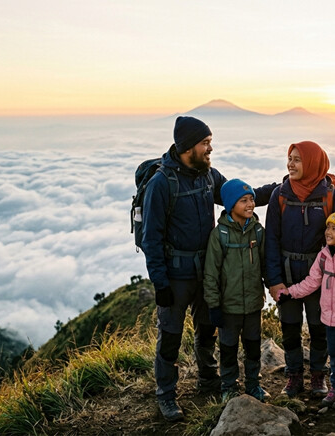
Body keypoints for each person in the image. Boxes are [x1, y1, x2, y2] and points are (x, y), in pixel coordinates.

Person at [141, 116, 276, 421]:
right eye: (205, 143)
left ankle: (209, 380)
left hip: (208, 270)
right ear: (188, 146)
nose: (210, 148)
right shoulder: (162, 183)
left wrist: (278, 188)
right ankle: (166, 395)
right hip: (176, 275)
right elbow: (151, 238)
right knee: (171, 335)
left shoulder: (208, 175)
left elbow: (237, 196)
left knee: (207, 329)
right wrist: (160, 282)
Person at [265, 140, 335, 398]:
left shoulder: (329, 195)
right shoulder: (279, 195)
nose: (291, 163)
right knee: (289, 326)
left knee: (319, 328)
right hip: (288, 275)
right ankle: (293, 376)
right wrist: (273, 280)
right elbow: (271, 241)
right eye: (289, 158)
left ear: (313, 163)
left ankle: (317, 375)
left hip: (321, 275)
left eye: (297, 159)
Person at [277, 208, 335, 410]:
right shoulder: (323, 256)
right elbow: (312, 282)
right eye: (328, 227)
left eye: (334, 228)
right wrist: (290, 292)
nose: (328, 231)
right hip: (329, 321)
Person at [203, 179, 269, 402]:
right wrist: (213, 305)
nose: (250, 204)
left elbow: (266, 265)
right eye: (244, 201)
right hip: (228, 307)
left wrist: (275, 288)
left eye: (251, 199)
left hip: (252, 305)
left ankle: (253, 385)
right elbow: (211, 274)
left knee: (253, 348)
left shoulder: (258, 231)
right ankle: (229, 387)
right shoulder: (219, 235)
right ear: (231, 205)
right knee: (228, 349)